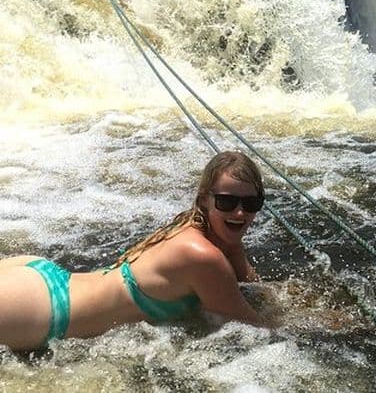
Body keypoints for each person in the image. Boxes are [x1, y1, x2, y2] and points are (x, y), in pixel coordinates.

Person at [0, 150, 274, 351]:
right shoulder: (202, 255)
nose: (240, 212)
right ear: (204, 199)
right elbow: (257, 327)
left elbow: (247, 286)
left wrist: (233, 242)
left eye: (251, 203)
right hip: (47, 310)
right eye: (227, 202)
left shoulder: (194, 228)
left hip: (40, 281)